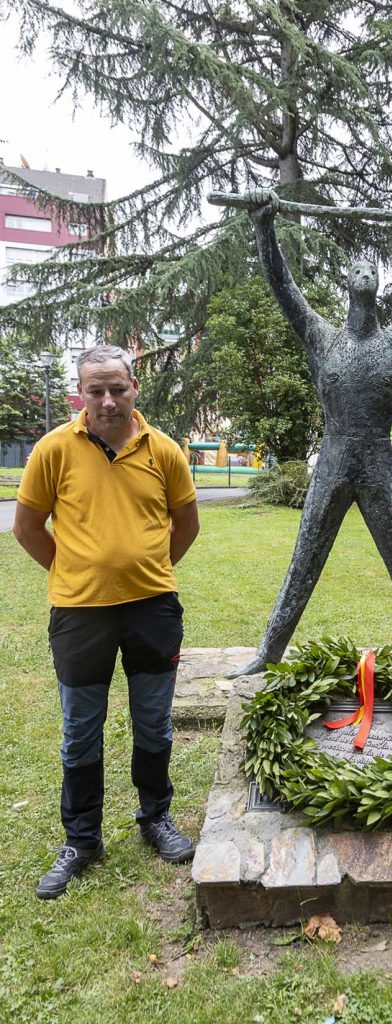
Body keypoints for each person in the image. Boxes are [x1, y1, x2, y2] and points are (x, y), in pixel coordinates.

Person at [231, 189, 392, 678]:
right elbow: (283, 288)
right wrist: (263, 227)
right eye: (355, 271)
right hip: (333, 459)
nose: (362, 275)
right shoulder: (322, 337)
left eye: (371, 270)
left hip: (377, 461)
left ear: (379, 282)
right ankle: (268, 652)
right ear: (345, 282)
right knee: (303, 560)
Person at [13, 345, 200, 899]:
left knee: (153, 722)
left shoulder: (163, 451)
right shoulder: (52, 450)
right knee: (79, 730)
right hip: (79, 615)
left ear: (134, 387)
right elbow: (27, 527)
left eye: (117, 388)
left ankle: (155, 817)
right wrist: (73, 573)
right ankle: (82, 838)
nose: (107, 400)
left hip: (152, 612)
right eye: (95, 390)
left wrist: (148, 571)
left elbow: (185, 525)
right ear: (81, 394)